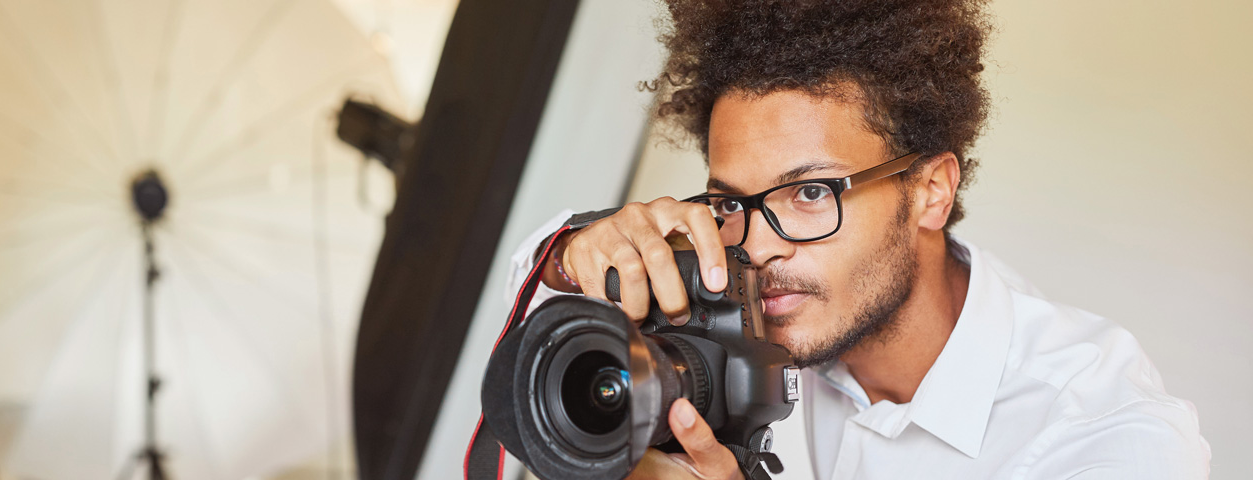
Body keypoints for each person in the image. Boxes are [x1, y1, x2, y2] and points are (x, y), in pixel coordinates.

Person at [505, 0, 1211, 478]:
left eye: (810, 193)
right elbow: (539, 344)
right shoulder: (749, 311)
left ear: (932, 190)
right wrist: (574, 255)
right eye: (729, 203)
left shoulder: (1107, 438)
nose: (756, 248)